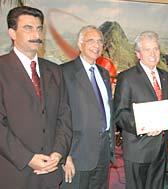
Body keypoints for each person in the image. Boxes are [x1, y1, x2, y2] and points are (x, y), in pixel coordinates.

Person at [0, 6, 72, 189]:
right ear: (12, 33)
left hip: (50, 172)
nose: (36, 33)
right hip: (14, 173)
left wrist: (58, 153)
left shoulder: (54, 70)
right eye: (28, 28)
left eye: (39, 28)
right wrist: (28, 158)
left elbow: (64, 116)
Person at [113, 31, 168, 189]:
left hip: (161, 148)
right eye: (147, 49)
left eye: (156, 49)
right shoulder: (127, 77)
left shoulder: (165, 76)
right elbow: (119, 113)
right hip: (138, 148)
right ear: (138, 54)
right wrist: (145, 127)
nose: (153, 53)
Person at [61, 25, 115, 189]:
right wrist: (65, 155)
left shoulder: (104, 74)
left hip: (104, 152)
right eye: (91, 41)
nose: (96, 45)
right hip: (77, 154)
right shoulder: (65, 72)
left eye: (100, 41)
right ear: (80, 44)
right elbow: (59, 116)